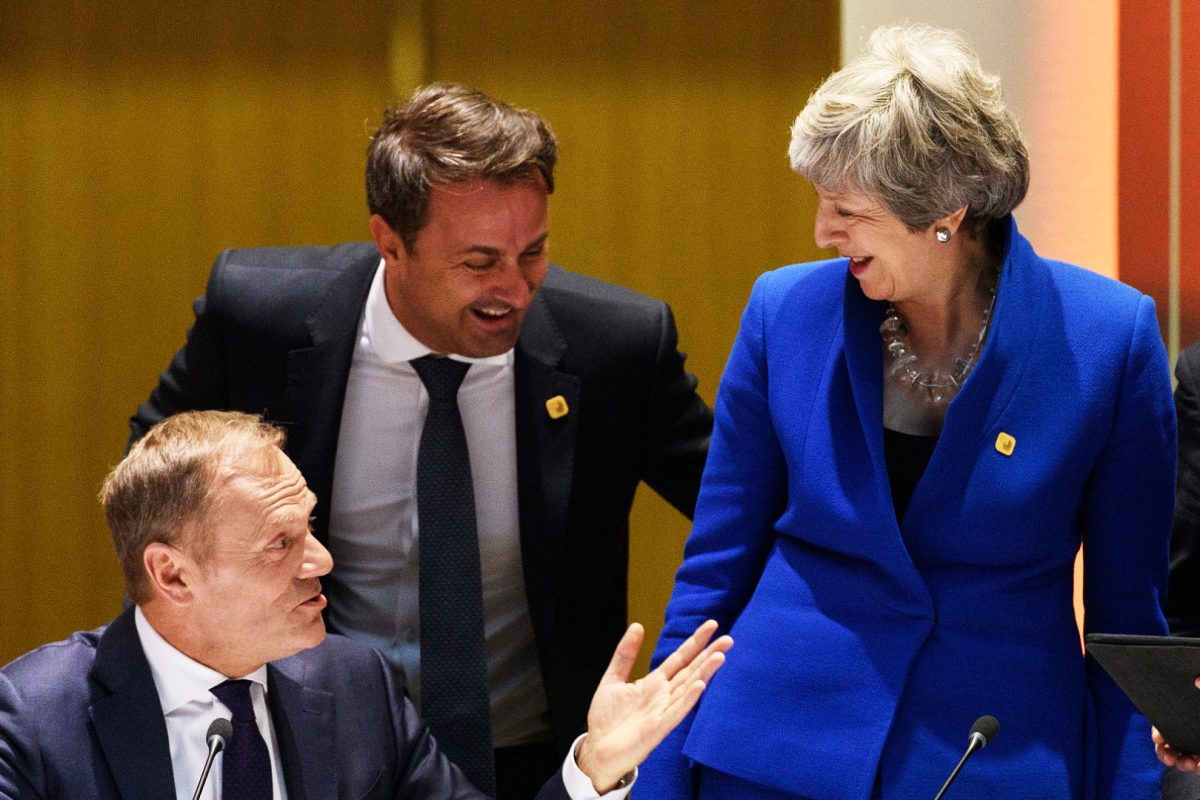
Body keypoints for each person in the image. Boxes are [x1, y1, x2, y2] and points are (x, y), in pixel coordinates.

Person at [127, 83, 713, 797]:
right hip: (308, 747)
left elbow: (737, 512)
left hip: (538, 759)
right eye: (479, 261)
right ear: (389, 242)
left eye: (534, 252)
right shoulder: (258, 317)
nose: (516, 289)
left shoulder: (616, 348)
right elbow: (151, 490)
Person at [638, 23, 1174, 799]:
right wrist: (656, 773)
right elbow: (713, 577)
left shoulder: (1108, 340)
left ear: (945, 213)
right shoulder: (783, 311)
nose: (823, 233)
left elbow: (1129, 629)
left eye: (847, 210)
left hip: (990, 759)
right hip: (767, 754)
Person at [0, 410, 731, 800]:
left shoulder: (354, 687)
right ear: (174, 576)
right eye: (278, 545)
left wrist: (592, 769)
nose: (320, 561)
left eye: (309, 528)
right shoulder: (36, 721)